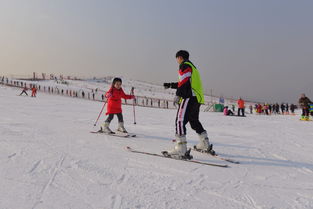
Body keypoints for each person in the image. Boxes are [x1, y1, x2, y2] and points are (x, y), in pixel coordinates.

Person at [163, 50, 214, 159]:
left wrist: (178, 95)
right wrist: (171, 85)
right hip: (197, 98)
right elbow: (185, 82)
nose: (177, 61)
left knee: (180, 121)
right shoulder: (192, 67)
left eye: (177, 58)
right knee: (194, 121)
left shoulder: (184, 65)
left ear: (180, 57)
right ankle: (205, 144)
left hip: (188, 98)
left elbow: (185, 81)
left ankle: (181, 149)